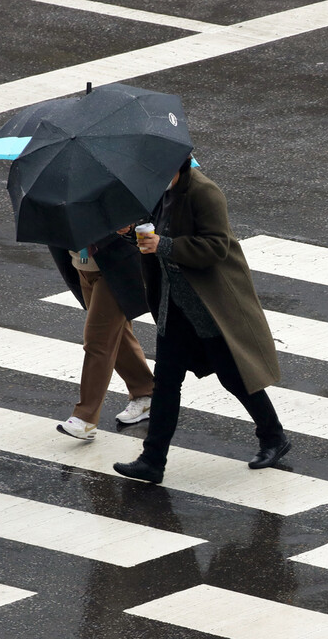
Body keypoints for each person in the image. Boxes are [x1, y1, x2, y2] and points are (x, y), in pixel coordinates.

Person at [113, 156, 290, 484]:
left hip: (208, 307)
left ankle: (273, 436)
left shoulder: (205, 193)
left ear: (177, 166)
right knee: (165, 383)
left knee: (234, 377)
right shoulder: (160, 192)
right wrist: (131, 235)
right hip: (174, 305)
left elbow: (216, 247)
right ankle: (152, 460)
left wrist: (163, 245)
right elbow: (153, 235)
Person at [51, 230, 155, 440]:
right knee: (118, 336)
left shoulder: (108, 197)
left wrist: (129, 226)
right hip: (83, 265)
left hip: (116, 268)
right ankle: (146, 392)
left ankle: (85, 418)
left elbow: (145, 216)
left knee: (98, 341)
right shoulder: (59, 198)